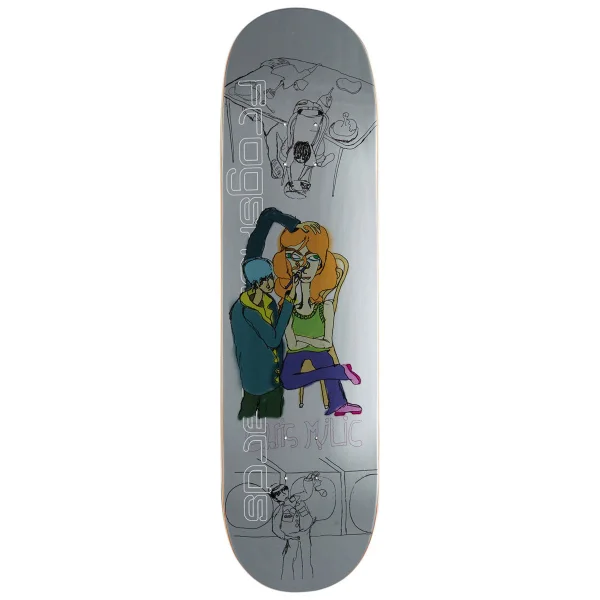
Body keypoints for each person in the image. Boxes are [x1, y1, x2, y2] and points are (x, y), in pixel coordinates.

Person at [229, 207, 320, 419]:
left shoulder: (266, 301)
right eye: (268, 278)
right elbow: (273, 338)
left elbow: (268, 215)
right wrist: (288, 303)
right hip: (257, 384)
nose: (272, 281)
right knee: (251, 418)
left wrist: (295, 225)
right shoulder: (245, 311)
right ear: (257, 282)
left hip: (273, 379)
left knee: (269, 417)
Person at [273, 224, 362, 416]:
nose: (303, 265)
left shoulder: (325, 307)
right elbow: (292, 345)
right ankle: (340, 371)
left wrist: (302, 339)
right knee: (287, 381)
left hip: (320, 352)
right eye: (294, 256)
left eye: (312, 257)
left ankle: (338, 404)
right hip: (297, 353)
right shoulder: (286, 307)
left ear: (322, 264)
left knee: (324, 359)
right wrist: (313, 341)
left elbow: (327, 343)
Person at [269, 472, 323, 580]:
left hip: (305, 532)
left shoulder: (297, 498)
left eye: (284, 490)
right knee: (290, 557)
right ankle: (286, 579)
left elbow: (307, 493)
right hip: (292, 536)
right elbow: (275, 527)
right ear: (275, 498)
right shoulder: (280, 510)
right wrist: (286, 537)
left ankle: (309, 579)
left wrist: (308, 480)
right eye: (279, 494)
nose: (283, 494)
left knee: (306, 556)